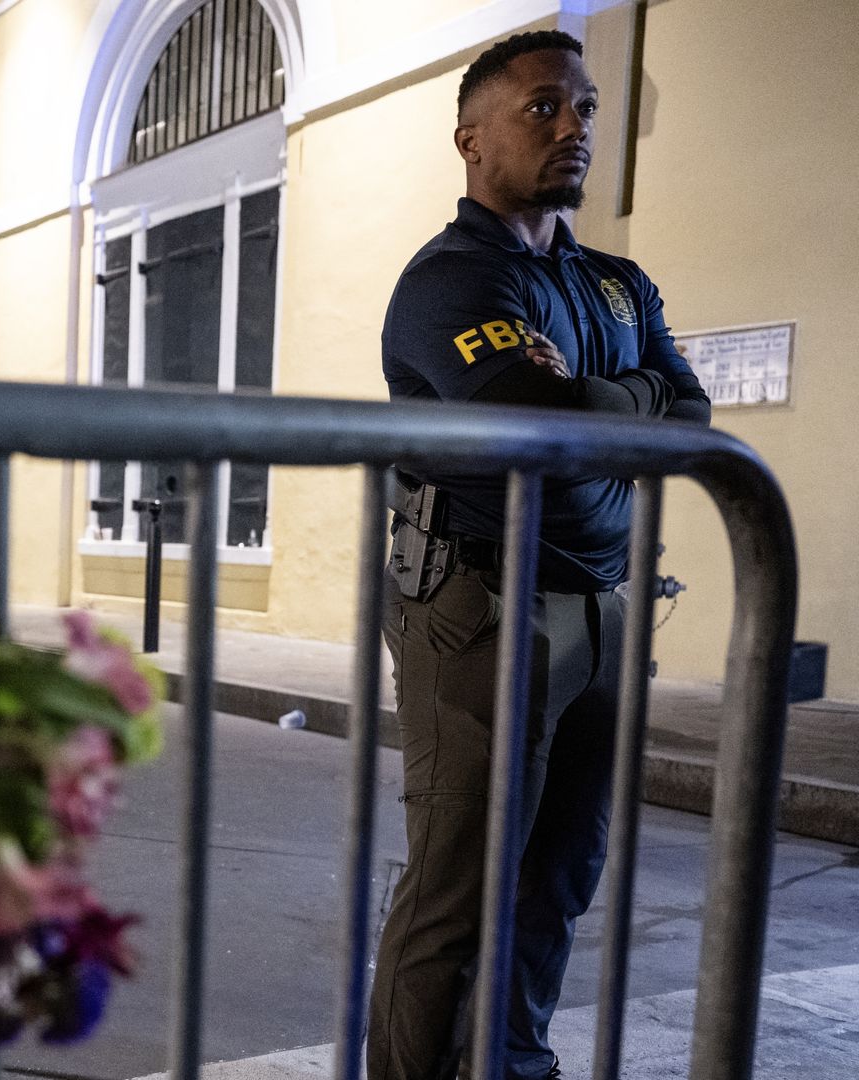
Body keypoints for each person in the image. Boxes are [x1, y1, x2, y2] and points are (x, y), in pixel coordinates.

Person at [368, 31, 710, 1080]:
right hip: (480, 604)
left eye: (588, 109)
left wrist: (609, 398)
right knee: (458, 890)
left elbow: (688, 413)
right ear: (471, 140)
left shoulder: (613, 285)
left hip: (602, 610)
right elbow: (540, 424)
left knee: (560, 873)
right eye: (543, 108)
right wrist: (619, 402)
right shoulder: (448, 283)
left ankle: (510, 1066)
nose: (574, 129)